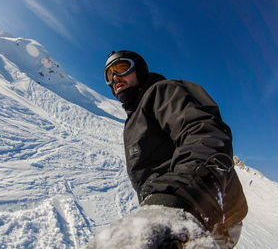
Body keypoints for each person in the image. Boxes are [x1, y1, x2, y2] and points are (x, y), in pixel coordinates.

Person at [104, 50, 248, 248]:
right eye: (109, 75)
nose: (115, 78)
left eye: (121, 68)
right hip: (173, 206)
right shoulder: (133, 121)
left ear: (139, 69)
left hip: (204, 209)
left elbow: (203, 133)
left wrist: (179, 196)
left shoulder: (164, 91)